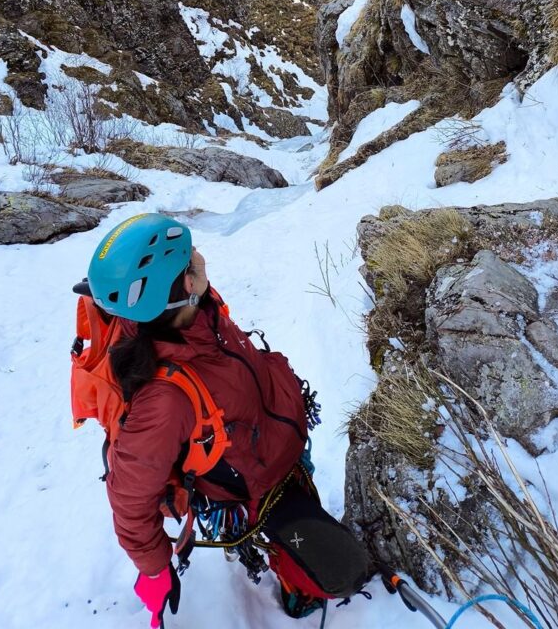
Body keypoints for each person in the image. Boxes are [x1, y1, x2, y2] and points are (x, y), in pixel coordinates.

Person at [80, 212, 369, 627]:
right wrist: (155, 567)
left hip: (271, 442)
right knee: (342, 572)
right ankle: (292, 586)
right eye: (190, 259)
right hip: (252, 486)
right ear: (183, 286)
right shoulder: (164, 402)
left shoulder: (195, 310)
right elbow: (129, 497)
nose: (199, 257)